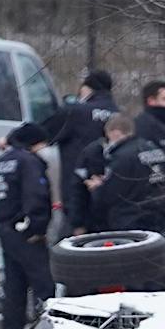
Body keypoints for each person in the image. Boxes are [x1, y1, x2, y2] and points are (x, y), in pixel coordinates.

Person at [0, 121, 55, 329]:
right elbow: (36, 195)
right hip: (27, 233)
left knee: (14, 291)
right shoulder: (29, 162)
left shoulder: (1, 162)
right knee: (44, 287)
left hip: (7, 230)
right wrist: (36, 227)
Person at [45, 70, 117, 227]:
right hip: (111, 194)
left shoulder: (76, 111)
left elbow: (44, 133)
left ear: (88, 88)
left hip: (77, 192)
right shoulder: (120, 115)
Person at [91, 111, 165, 233]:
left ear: (115, 132)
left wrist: (97, 188)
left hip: (130, 218)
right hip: (158, 214)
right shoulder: (155, 149)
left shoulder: (122, 157)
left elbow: (110, 194)